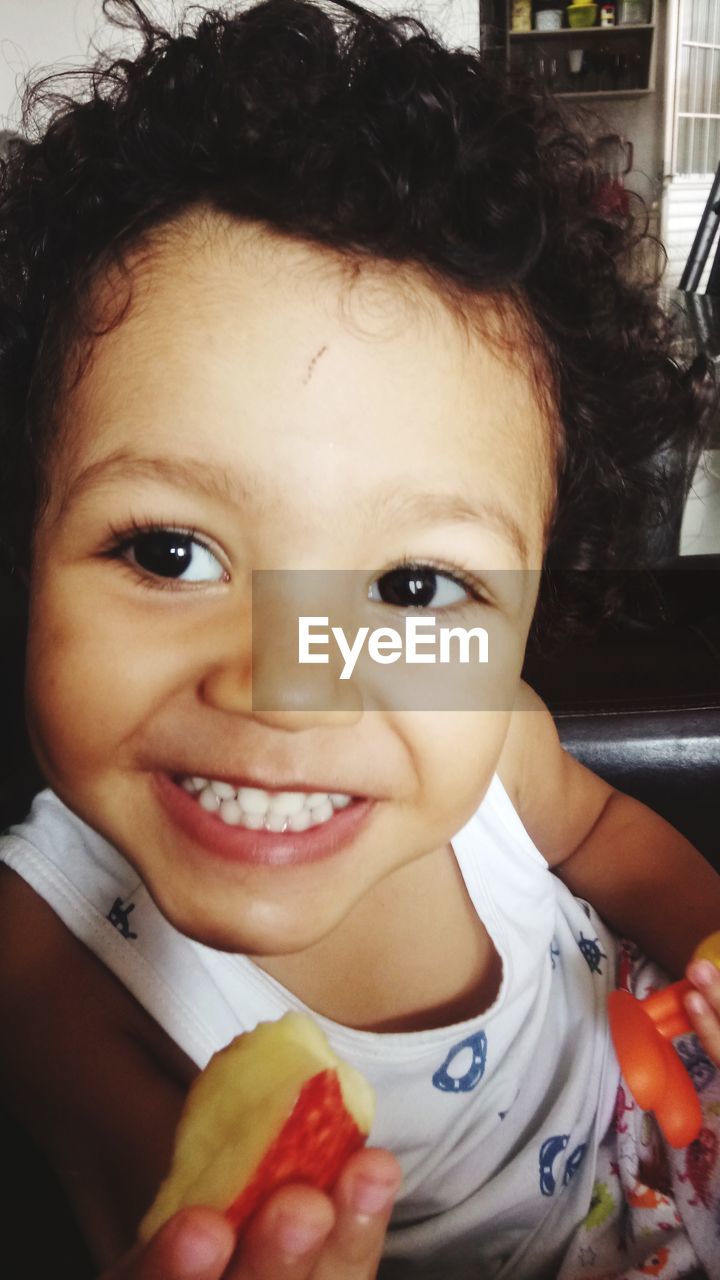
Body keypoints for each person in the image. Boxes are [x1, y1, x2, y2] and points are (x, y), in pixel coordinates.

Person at [0, 2, 719, 1277]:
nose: (289, 684)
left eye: (411, 584)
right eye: (170, 551)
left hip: (653, 1115)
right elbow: (155, 1209)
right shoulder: (42, 947)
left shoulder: (490, 730)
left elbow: (605, 833)